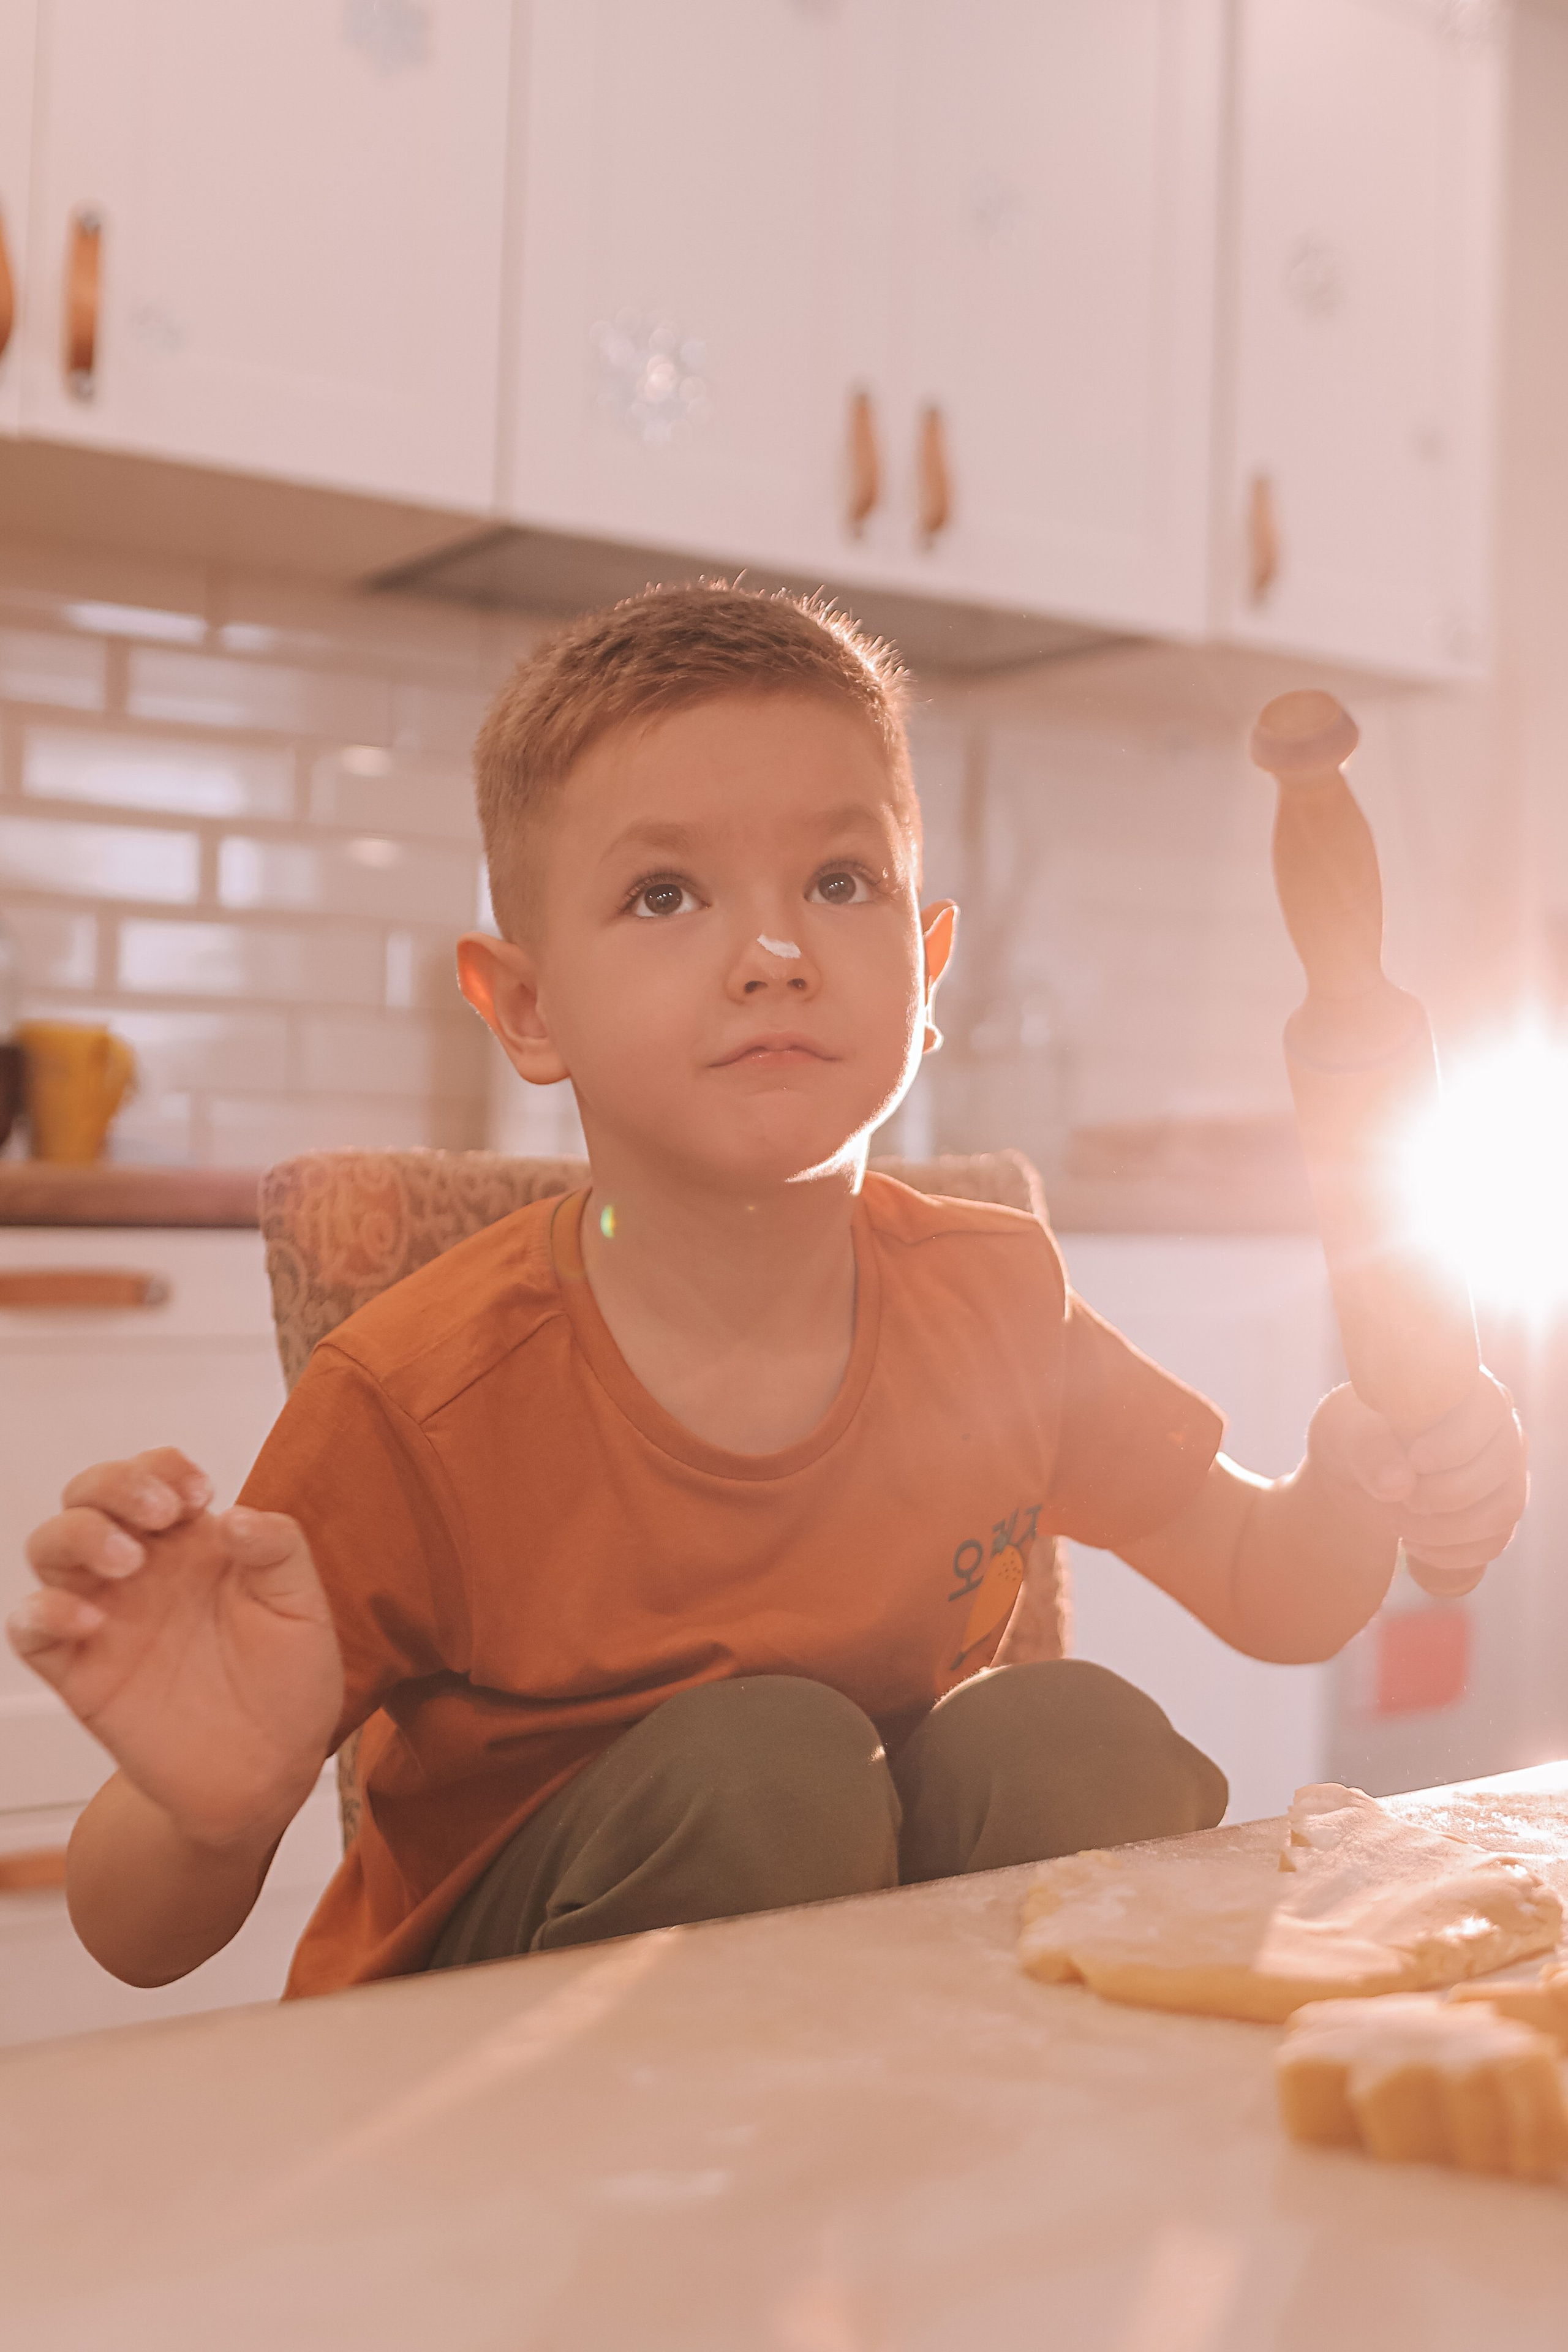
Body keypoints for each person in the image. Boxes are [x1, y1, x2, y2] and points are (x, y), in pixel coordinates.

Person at [8, 587, 1528, 1998]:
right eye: (665, 893)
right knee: (767, 1768)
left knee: (1065, 1734)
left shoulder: (992, 1301)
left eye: (839, 881)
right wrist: (215, 1811)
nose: (775, 951)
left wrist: (1363, 1481)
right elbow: (138, 1938)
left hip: (884, 2027)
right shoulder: (416, 1401)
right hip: (496, 2067)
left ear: (926, 973)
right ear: (526, 1006)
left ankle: (1016, 2144)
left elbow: (1270, 1583)